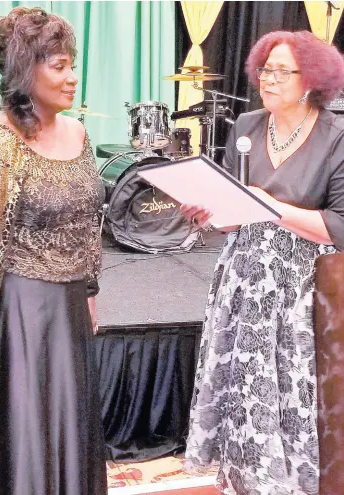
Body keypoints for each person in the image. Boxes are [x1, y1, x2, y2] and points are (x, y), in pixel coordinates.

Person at [0, 7, 107, 495]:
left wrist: (90, 289)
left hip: (69, 313)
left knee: (66, 431)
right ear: (24, 71)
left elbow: (87, 222)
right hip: (17, 316)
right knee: (22, 442)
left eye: (72, 64)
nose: (72, 77)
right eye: (58, 66)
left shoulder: (78, 134)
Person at [181, 30, 344, 495]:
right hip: (243, 279)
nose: (267, 79)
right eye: (264, 69)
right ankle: (245, 481)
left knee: (287, 394)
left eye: (281, 71)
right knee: (241, 388)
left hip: (300, 290)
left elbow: (340, 225)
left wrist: (272, 207)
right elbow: (234, 219)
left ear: (312, 80)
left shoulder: (337, 136)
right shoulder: (247, 125)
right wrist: (210, 211)